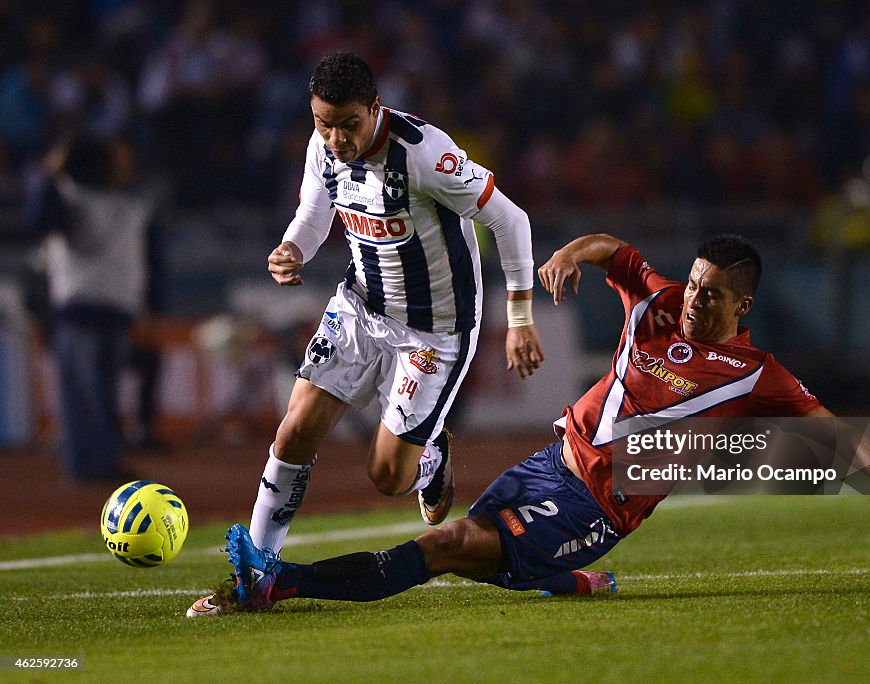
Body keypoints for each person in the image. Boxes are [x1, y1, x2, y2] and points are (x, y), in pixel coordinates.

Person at [195, 232, 870, 615]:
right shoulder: (657, 304)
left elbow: (832, 430)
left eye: (713, 295)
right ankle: (572, 582)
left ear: (742, 308)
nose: (694, 300)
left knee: (448, 545)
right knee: (476, 554)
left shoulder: (759, 375)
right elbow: (609, 249)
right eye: (693, 285)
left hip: (601, 500)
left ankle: (277, 585)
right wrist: (563, 257)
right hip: (551, 461)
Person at [187, 52, 544, 616]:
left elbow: (510, 219)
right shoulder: (323, 143)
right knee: (295, 429)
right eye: (323, 123)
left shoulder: (424, 153)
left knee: (386, 477)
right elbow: (315, 209)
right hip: (359, 308)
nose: (335, 138)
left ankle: (429, 458)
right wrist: (293, 249)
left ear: (376, 109)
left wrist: (521, 318)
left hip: (435, 329)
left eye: (348, 124)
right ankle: (256, 572)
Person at [26, 134, 158, 483]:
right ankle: (87, 463)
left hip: (102, 312)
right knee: (87, 392)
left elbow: (39, 220)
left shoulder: (121, 201)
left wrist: (49, 173)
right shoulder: (77, 198)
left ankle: (97, 461)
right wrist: (50, 175)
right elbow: (39, 221)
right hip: (82, 311)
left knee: (97, 392)